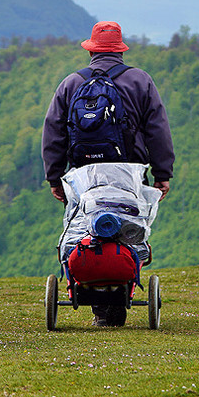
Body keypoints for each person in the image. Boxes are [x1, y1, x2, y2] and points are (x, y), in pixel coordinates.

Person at [42, 21, 174, 325]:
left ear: (91, 51)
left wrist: (55, 177)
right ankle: (119, 295)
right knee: (127, 227)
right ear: (120, 51)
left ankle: (95, 297)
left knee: (84, 231)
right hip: (129, 172)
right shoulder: (140, 82)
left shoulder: (71, 84)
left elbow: (53, 134)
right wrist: (162, 173)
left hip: (83, 176)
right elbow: (158, 131)